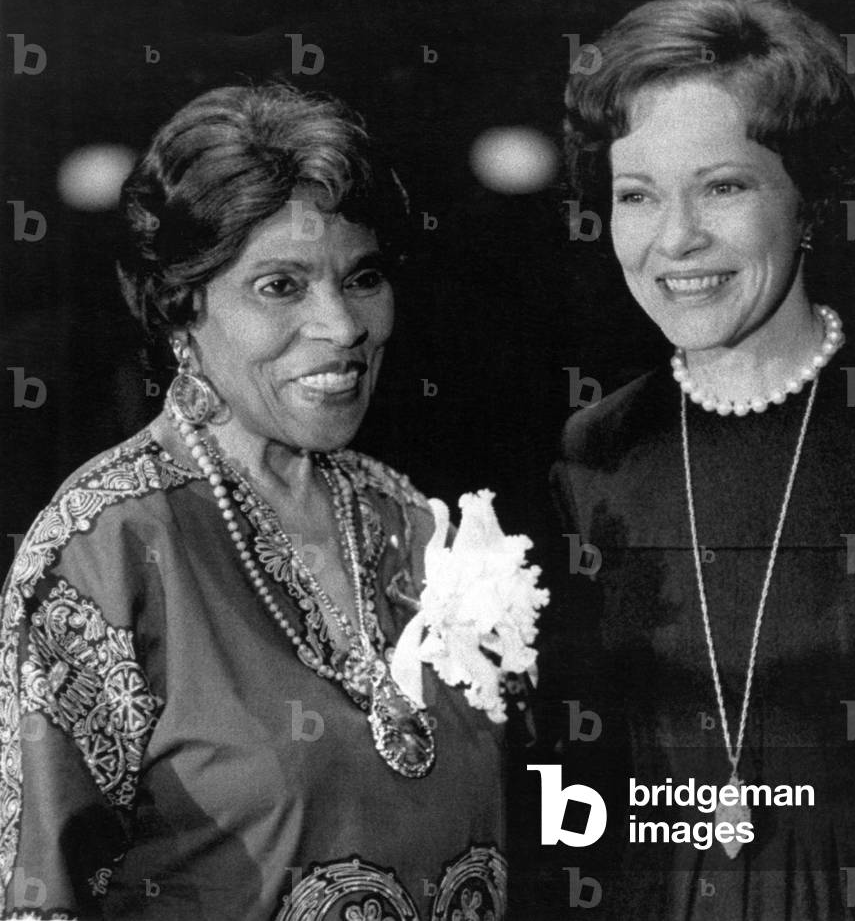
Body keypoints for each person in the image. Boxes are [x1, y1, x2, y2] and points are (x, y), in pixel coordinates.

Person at [539, 0, 855, 920]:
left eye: (722, 186)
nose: (674, 239)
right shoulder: (593, 450)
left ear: (810, 197)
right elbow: (583, 789)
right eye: (636, 195)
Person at [0, 85, 507, 920]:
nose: (341, 324)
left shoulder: (415, 526)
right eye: (280, 285)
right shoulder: (109, 547)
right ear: (180, 306)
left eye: (364, 277)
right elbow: (37, 895)